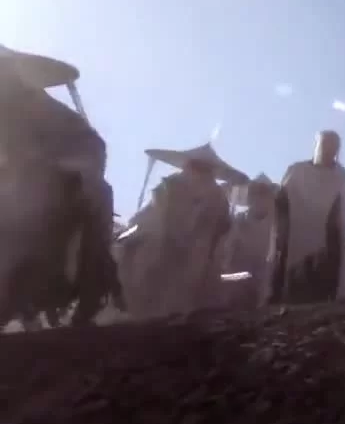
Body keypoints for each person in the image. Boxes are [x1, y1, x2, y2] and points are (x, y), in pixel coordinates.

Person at [0, 47, 118, 327]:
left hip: (48, 188)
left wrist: (59, 167)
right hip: (11, 190)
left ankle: (88, 294)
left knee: (94, 204)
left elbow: (92, 146)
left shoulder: (45, 108)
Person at [117, 143, 241, 319]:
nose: (200, 172)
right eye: (197, 166)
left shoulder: (216, 198)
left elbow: (222, 232)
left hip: (193, 263)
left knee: (176, 305)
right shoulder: (170, 187)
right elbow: (146, 220)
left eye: (204, 168)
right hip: (160, 258)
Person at [267, 130, 345, 305]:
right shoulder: (297, 171)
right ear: (318, 145)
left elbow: (344, 211)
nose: (329, 150)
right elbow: (281, 204)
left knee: (318, 292)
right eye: (325, 144)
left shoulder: (341, 176)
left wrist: (339, 239)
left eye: (333, 146)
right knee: (287, 285)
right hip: (294, 239)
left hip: (324, 244)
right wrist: (280, 235)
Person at [221, 173, 277, 309]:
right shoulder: (238, 221)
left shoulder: (276, 226)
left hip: (264, 285)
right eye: (255, 193)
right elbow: (226, 253)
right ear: (250, 196)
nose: (259, 197)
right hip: (236, 282)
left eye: (264, 193)